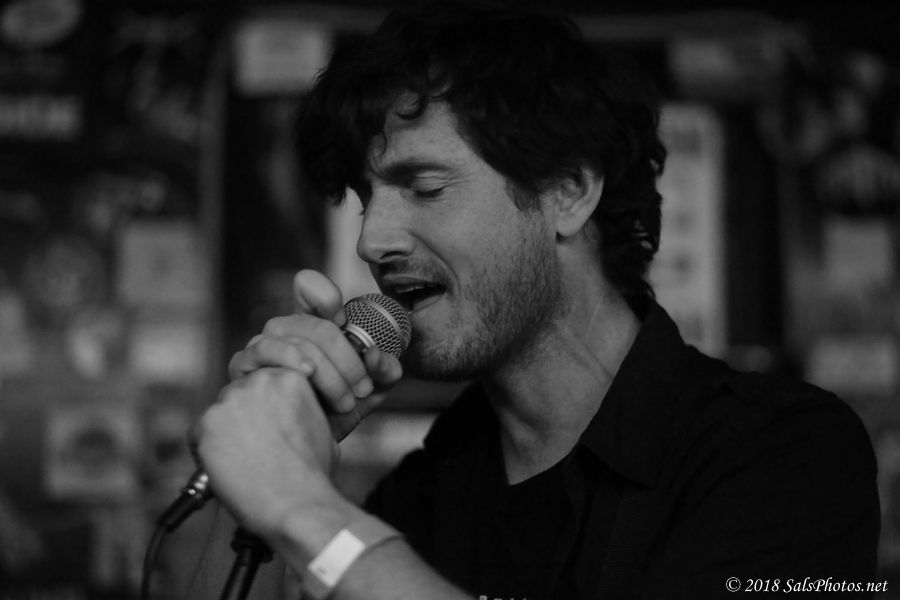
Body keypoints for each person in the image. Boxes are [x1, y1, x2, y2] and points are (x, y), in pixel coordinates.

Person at [188, 2, 881, 598]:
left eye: (425, 188)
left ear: (568, 193)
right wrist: (266, 462)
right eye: (367, 200)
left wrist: (308, 513)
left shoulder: (786, 452)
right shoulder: (432, 486)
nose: (372, 241)